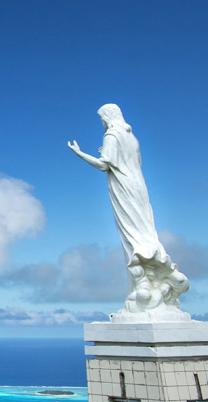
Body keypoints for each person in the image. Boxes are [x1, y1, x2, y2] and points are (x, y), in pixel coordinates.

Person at [68, 103, 189, 316]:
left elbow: (104, 165)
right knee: (144, 228)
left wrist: (79, 153)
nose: (102, 123)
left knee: (131, 233)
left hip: (123, 187)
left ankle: (143, 280)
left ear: (107, 117)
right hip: (138, 186)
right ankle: (157, 276)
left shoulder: (112, 136)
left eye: (101, 119)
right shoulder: (131, 137)